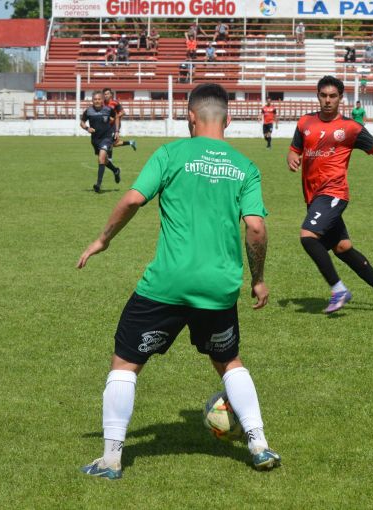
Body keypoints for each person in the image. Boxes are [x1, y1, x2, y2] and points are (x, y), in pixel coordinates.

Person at [77, 83, 280, 479]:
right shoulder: (245, 166)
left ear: (190, 116)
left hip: (165, 285)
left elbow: (134, 199)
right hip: (218, 289)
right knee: (228, 362)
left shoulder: (171, 153)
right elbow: (256, 227)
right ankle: (258, 443)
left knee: (125, 364)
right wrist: (257, 279)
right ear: (229, 119)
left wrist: (103, 239)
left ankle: (111, 458)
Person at [286, 76, 373, 314]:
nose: (328, 100)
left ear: (340, 98)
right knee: (342, 248)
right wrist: (291, 157)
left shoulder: (351, 128)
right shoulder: (305, 123)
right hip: (313, 196)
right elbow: (295, 150)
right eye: (323, 95)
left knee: (307, 236)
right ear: (317, 96)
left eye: (333, 96)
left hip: (333, 192)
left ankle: (338, 289)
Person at [80, 91, 119, 193]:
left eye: (99, 99)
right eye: (95, 99)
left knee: (101, 158)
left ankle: (98, 185)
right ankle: (115, 170)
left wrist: (116, 131)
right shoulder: (88, 111)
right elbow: (82, 122)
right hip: (95, 139)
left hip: (107, 137)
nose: (97, 101)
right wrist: (87, 128)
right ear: (92, 100)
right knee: (104, 161)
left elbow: (116, 117)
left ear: (102, 100)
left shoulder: (108, 109)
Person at [103, 87, 137, 152]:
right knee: (114, 144)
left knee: (109, 142)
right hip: (108, 125)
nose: (106, 95)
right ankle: (131, 142)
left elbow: (123, 112)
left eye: (107, 94)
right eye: (105, 94)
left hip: (115, 125)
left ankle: (109, 160)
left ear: (111, 95)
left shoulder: (115, 103)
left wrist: (115, 117)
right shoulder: (103, 104)